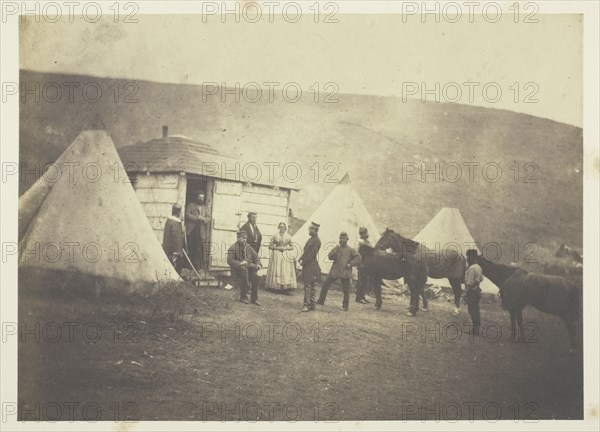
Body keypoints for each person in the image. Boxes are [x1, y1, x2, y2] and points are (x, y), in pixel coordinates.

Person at [317, 232, 362, 311]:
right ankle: (321, 301)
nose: (341, 240)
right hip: (335, 271)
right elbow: (329, 257)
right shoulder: (336, 248)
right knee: (325, 285)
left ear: (346, 240)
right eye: (340, 238)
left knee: (346, 290)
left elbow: (358, 258)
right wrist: (333, 254)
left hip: (345, 272)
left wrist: (350, 264)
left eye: (343, 238)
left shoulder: (351, 250)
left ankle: (345, 306)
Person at [227, 230, 262, 305]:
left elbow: (256, 257)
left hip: (249, 268)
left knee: (255, 277)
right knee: (244, 274)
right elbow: (230, 260)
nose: (245, 240)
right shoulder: (233, 248)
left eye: (245, 238)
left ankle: (254, 299)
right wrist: (239, 263)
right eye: (243, 238)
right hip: (237, 269)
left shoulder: (248, 247)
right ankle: (243, 297)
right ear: (238, 238)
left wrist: (258, 264)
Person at [266, 222, 297, 291]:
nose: (282, 228)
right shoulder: (275, 236)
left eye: (283, 227)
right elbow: (270, 246)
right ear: (278, 228)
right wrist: (276, 248)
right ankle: (275, 286)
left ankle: (284, 286)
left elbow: (292, 247)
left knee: (284, 270)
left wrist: (285, 248)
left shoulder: (288, 237)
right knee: (277, 269)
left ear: (285, 228)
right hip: (276, 255)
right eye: (280, 227)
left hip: (285, 255)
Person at [299, 222, 321, 312]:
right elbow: (306, 252)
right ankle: (312, 304)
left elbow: (312, 254)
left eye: (310, 228)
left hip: (311, 266)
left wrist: (303, 262)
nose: (308, 230)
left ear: (315, 230)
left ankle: (307, 305)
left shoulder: (316, 241)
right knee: (310, 285)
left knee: (308, 285)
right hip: (308, 265)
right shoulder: (310, 239)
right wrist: (301, 258)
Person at [185, 192, 210, 271]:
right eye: (199, 197)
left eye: (202, 197)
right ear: (196, 197)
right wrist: (196, 218)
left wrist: (204, 219)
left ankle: (197, 266)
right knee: (190, 247)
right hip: (192, 230)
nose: (201, 199)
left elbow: (209, 217)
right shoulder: (191, 205)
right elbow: (187, 214)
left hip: (200, 231)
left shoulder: (205, 208)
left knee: (199, 249)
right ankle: (188, 265)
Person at [462, 249, 483, 336]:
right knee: (476, 310)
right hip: (477, 290)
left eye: (467, 256)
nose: (466, 259)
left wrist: (465, 293)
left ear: (471, 257)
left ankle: (475, 331)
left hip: (472, 292)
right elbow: (481, 279)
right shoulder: (478, 267)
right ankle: (476, 329)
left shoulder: (471, 268)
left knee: (472, 310)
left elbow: (469, 283)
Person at [162, 203, 185, 274]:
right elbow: (174, 237)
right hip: (173, 250)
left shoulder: (172, 221)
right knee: (173, 266)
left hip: (173, 249)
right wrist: (176, 250)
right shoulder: (173, 222)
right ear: (178, 212)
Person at [355, 227, 371, 304]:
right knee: (361, 280)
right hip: (361, 263)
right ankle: (359, 297)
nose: (366, 234)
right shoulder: (360, 241)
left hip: (366, 263)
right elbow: (357, 252)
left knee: (364, 280)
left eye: (366, 232)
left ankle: (363, 296)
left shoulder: (366, 241)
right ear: (362, 234)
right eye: (365, 233)